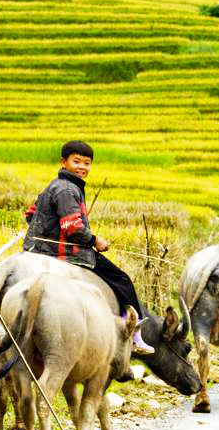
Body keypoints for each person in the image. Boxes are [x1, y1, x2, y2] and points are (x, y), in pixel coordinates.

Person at [23, 140, 156, 354]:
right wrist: (96, 241)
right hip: (67, 254)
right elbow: (73, 229)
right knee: (122, 280)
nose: (82, 167)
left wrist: (47, 230)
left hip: (36, 250)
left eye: (87, 163)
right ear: (63, 162)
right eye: (76, 162)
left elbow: (30, 214)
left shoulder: (55, 185)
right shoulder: (67, 189)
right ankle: (133, 333)